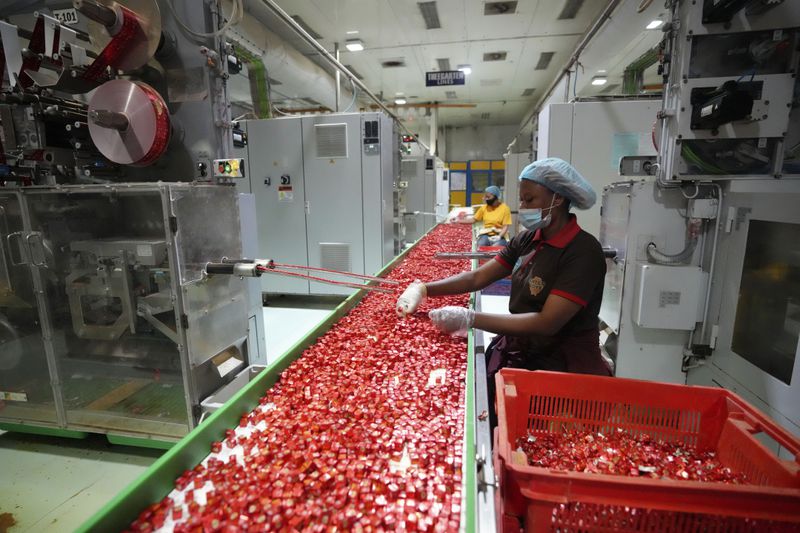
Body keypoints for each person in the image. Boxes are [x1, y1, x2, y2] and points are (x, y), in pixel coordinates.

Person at [397, 158, 611, 426]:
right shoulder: (527, 240)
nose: (522, 208)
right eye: (521, 200)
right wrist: (425, 289)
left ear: (557, 199)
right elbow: (478, 277)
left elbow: (547, 323)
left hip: (562, 368)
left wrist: (470, 318)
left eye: (529, 199)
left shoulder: (582, 252)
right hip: (522, 352)